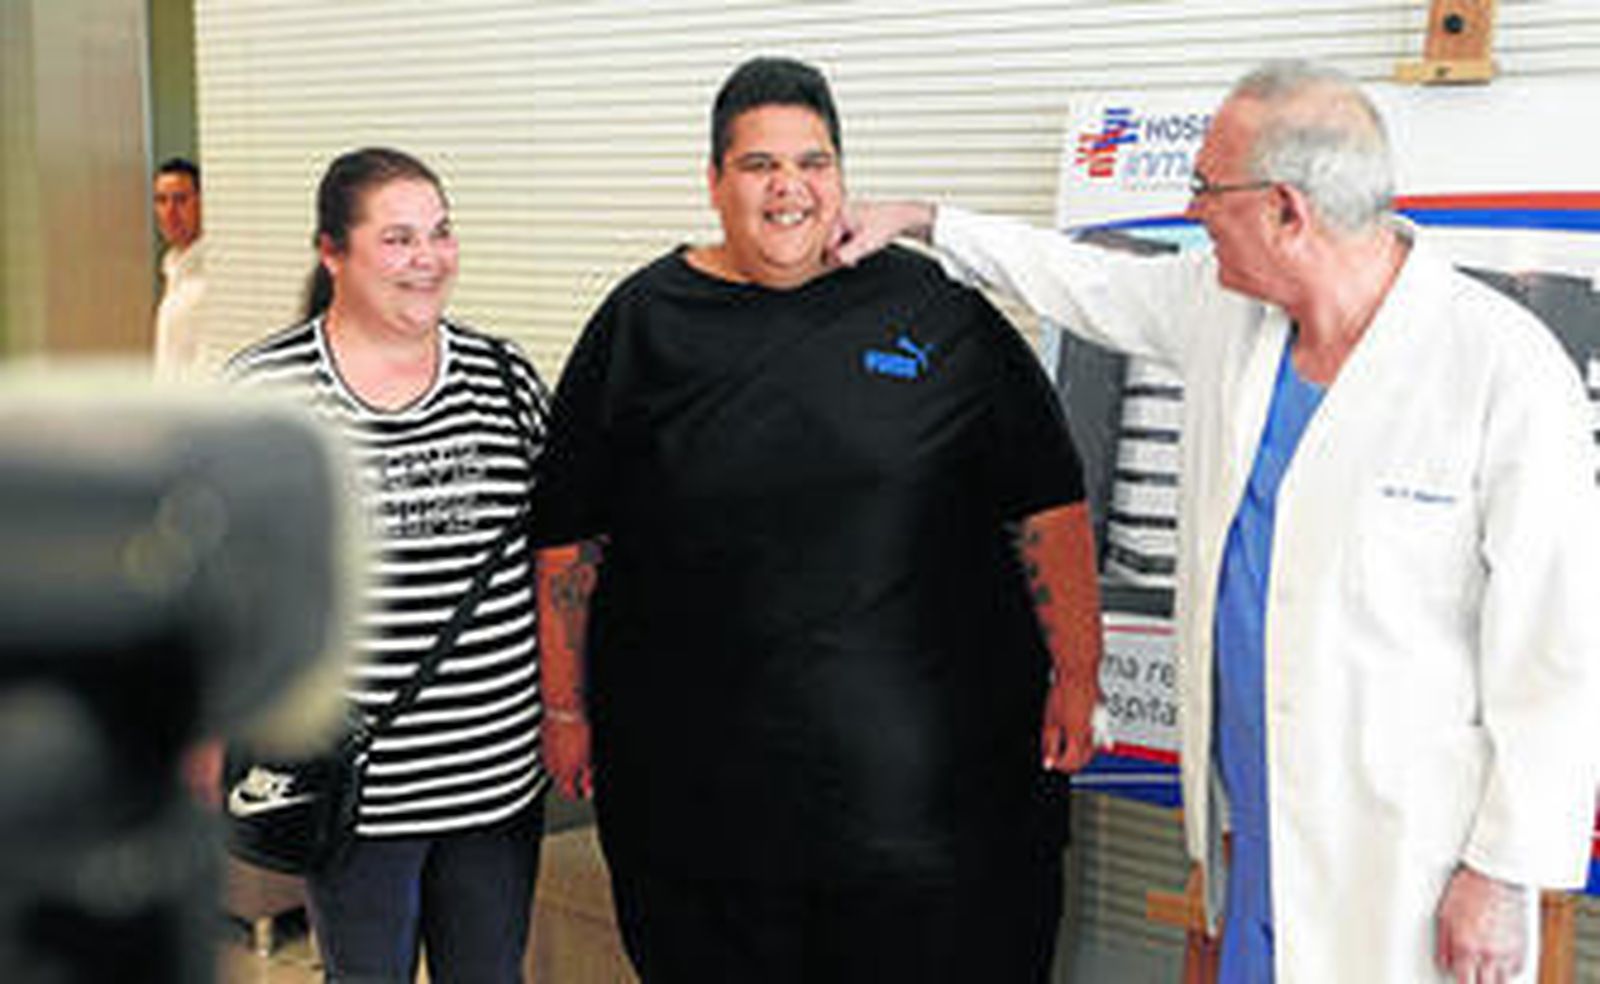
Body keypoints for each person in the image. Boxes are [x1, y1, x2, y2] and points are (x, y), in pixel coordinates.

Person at [832, 59, 1600, 984]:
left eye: (1205, 187)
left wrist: (1504, 869)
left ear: (1286, 210)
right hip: (1250, 824)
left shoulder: (1500, 370)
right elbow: (1084, 281)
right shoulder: (1229, 312)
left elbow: (1560, 647)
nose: (1193, 211)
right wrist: (926, 221)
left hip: (1411, 859)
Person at [530, 56, 1104, 983]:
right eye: (760, 165)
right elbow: (570, 537)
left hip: (928, 813)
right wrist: (565, 707)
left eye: (814, 162)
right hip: (703, 807)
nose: (789, 188)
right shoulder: (643, 325)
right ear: (715, 182)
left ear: (842, 174)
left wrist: (1079, 673)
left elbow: (1045, 503)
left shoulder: (936, 312)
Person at [228, 147, 551, 984]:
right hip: (355, 793)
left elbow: (562, 558)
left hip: (495, 779)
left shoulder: (504, 378)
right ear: (332, 252)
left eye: (440, 234)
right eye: (399, 239)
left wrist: (571, 710)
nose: (429, 259)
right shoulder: (269, 390)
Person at [152, 157, 207, 380]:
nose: (170, 212)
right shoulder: (174, 269)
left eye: (181, 200)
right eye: (161, 200)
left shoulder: (209, 280)